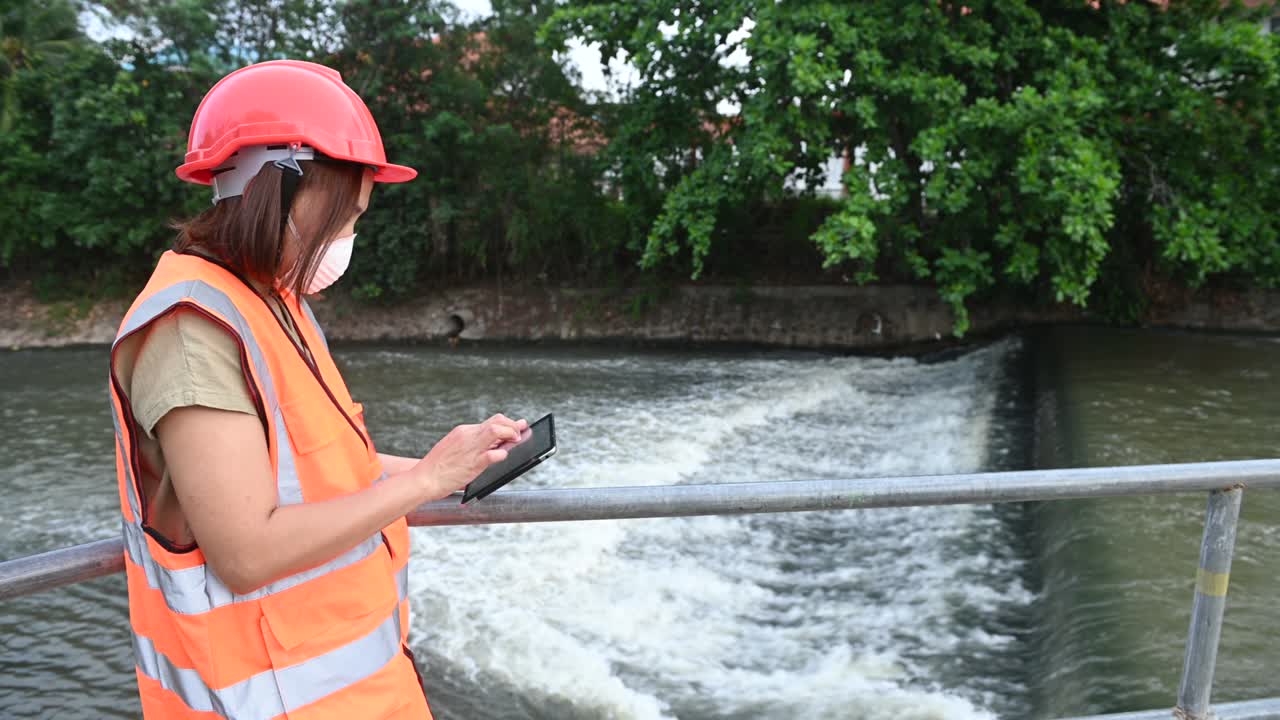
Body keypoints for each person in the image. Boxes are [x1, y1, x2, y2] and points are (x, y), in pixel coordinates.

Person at [108, 59, 527, 719]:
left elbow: (322, 467)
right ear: (274, 186)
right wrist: (419, 485)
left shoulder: (273, 301)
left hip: (362, 695)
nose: (349, 237)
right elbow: (246, 552)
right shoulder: (192, 329)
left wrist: (447, 464)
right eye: (344, 215)